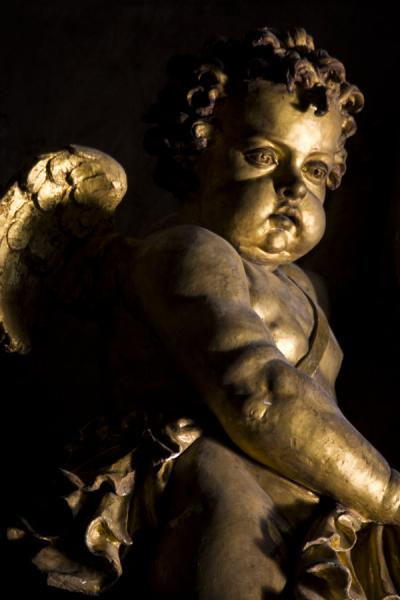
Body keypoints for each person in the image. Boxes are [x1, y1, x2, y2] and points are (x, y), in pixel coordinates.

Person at [3, 26, 399, 599]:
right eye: (264, 156)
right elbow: (260, 396)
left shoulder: (310, 287)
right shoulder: (188, 251)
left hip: (306, 501)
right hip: (203, 485)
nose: (293, 187)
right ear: (196, 152)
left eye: (316, 171)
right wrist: (388, 496)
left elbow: (320, 415)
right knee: (230, 518)